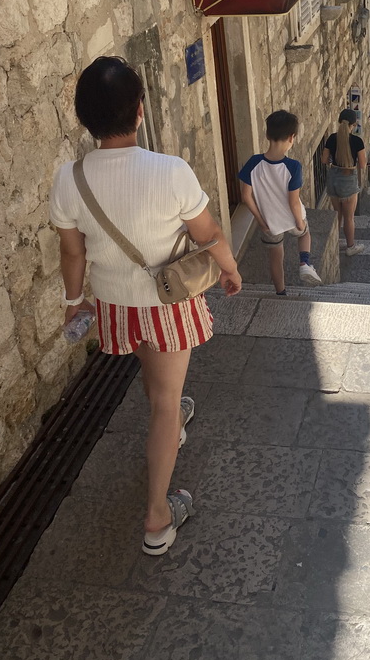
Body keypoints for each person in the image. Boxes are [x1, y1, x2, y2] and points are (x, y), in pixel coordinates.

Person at [49, 56, 242, 557]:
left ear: (85, 118)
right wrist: (230, 269)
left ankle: (172, 413)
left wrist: (74, 303)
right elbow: (210, 234)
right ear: (139, 110)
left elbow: (73, 252)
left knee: (157, 384)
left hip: (117, 306)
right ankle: (158, 515)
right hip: (167, 304)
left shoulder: (68, 179)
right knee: (162, 401)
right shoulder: (170, 172)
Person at [239, 110, 324, 296]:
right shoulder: (293, 166)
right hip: (291, 218)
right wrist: (299, 222)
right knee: (304, 234)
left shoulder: (253, 163)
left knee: (275, 258)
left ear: (267, 135)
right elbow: (293, 202)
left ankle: (281, 293)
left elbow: (246, 196)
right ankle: (304, 263)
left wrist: (261, 222)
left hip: (269, 222)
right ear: (292, 138)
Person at [322, 108, 366, 257]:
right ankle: (350, 246)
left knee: (338, 214)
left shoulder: (331, 138)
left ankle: (335, 241)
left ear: (340, 121)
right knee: (349, 217)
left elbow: (323, 160)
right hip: (348, 180)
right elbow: (362, 164)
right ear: (353, 124)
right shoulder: (357, 141)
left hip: (333, 178)